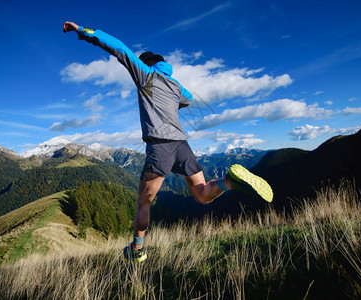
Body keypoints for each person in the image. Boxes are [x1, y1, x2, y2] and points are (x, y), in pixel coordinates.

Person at [63, 21, 273, 262]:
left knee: (144, 204)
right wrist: (172, 91)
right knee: (202, 194)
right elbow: (189, 98)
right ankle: (229, 182)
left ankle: (137, 250)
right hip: (182, 146)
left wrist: (82, 31)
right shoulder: (175, 86)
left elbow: (119, 48)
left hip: (159, 146)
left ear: (147, 64)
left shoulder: (146, 75)